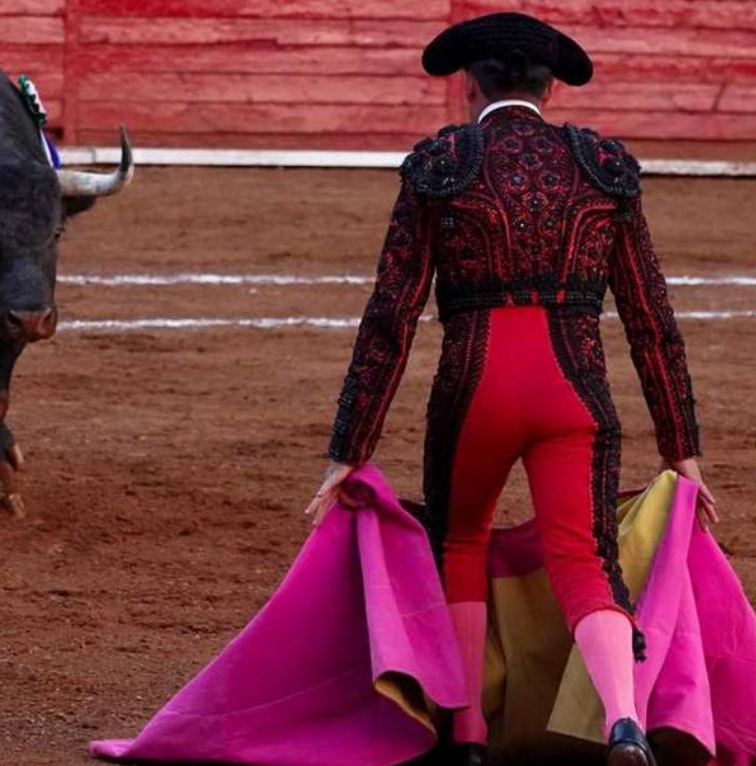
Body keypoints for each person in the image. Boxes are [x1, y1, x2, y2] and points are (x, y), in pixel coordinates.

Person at [302, 13, 720, 766]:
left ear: (468, 85)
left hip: (475, 388)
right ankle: (623, 721)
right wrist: (680, 447)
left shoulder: (442, 163)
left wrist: (348, 448)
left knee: (459, 541)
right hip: (575, 389)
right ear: (551, 89)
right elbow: (650, 317)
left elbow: (390, 316)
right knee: (584, 557)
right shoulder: (601, 165)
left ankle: (466, 735)